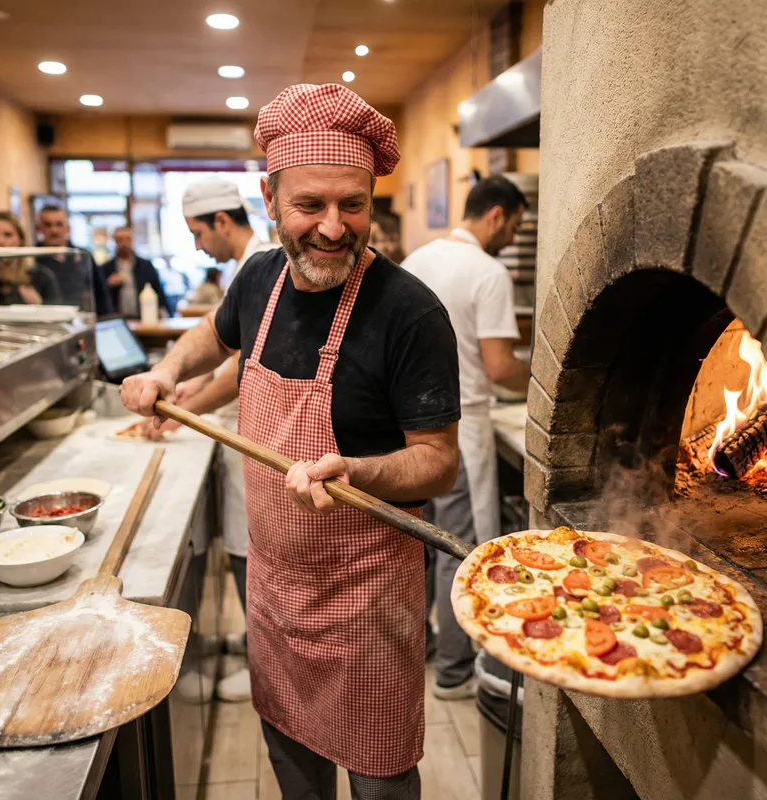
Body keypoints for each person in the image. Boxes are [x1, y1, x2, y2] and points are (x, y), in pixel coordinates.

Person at [122, 83, 460, 799]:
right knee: (293, 766)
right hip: (277, 592)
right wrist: (166, 370)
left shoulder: (410, 313)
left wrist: (359, 473)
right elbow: (212, 339)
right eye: (310, 205)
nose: (334, 229)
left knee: (379, 778)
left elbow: (438, 462)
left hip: (368, 601)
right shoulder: (259, 279)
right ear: (270, 202)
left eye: (354, 205)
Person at [144, 176, 275, 703]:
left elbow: (241, 370)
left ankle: (262, 665)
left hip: (260, 437)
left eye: (198, 233)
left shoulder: (262, 267)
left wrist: (180, 409)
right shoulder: (244, 270)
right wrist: (180, 382)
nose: (198, 245)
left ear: (224, 222)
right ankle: (250, 642)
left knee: (251, 549)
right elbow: (219, 346)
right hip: (242, 431)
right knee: (244, 545)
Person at [402, 175, 531, 699]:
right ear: (496, 215)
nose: (513, 239)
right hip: (461, 425)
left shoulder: (417, 259)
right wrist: (550, 382)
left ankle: (424, 646)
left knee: (421, 545)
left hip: (406, 427)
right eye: (516, 227)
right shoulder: (488, 271)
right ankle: (455, 672)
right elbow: (500, 366)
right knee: (461, 547)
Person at [36, 205, 113, 315]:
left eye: (59, 224)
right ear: (39, 228)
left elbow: (101, 294)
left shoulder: (84, 256)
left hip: (80, 323)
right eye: (48, 225)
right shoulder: (31, 259)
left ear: (68, 227)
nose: (54, 230)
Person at [0, 211, 60, 305]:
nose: (0, 241)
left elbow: (57, 313)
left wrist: (39, 305)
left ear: (21, 240)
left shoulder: (43, 278)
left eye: (8, 235)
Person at [103, 227, 169, 318]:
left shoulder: (145, 266)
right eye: (120, 240)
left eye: (127, 239)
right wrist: (108, 284)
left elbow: (159, 291)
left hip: (143, 318)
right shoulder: (106, 268)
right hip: (118, 319)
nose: (124, 243)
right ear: (115, 241)